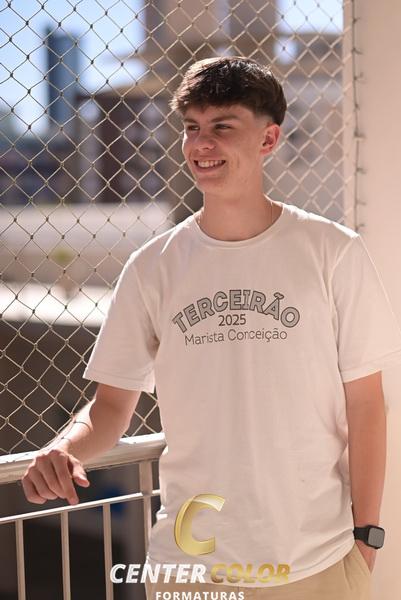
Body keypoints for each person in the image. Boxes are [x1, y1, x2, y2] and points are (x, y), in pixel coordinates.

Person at [22, 56, 401, 600]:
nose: (201, 144)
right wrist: (65, 448)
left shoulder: (333, 252)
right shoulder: (152, 267)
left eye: (222, 127)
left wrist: (367, 537)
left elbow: (366, 406)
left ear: (268, 139)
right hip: (191, 566)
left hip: (315, 559)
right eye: (191, 127)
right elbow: (110, 408)